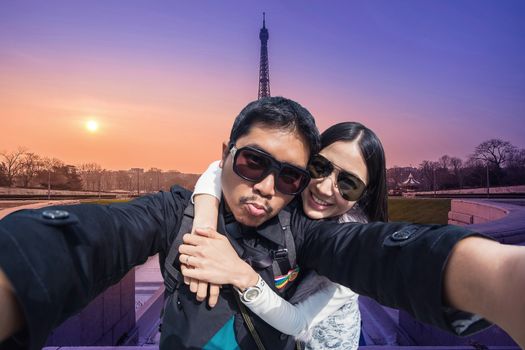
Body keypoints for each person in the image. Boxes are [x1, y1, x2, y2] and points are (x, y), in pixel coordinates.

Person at [0, 97, 523, 349]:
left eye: (291, 176)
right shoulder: (178, 209)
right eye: (253, 162)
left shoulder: (312, 230)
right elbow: (99, 236)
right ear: (224, 154)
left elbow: (379, 251)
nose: (269, 187)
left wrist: (496, 278)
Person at [185, 121, 387, 349]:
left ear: (364, 195)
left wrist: (242, 275)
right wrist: (205, 223)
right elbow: (220, 166)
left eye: (349, 183)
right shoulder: (290, 189)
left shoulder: (354, 250)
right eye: (320, 167)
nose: (324, 187)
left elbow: (299, 323)